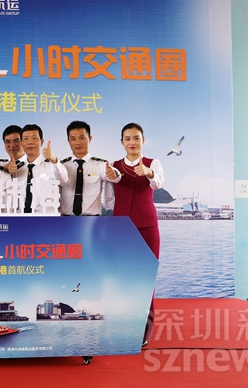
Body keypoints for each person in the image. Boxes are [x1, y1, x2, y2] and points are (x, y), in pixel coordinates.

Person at [105, 122, 164, 347]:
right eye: (128, 138)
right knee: (122, 278)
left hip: (148, 227)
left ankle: (143, 332)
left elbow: (158, 183)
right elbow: (109, 200)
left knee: (146, 278)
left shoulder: (153, 163)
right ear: (122, 142)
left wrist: (148, 173)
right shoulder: (113, 167)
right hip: (122, 227)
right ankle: (123, 326)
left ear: (143, 140)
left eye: (136, 138)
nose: (132, 142)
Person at [59, 121, 116, 216]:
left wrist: (113, 173)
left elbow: (114, 176)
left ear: (90, 139)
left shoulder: (100, 165)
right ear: (68, 141)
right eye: (73, 139)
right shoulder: (62, 166)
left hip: (92, 220)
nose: (77, 142)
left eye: (82, 138)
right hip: (66, 219)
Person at [16, 124, 68, 213]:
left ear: (42, 141)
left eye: (34, 138)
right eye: (26, 139)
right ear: (21, 144)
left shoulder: (52, 165)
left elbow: (63, 180)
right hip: (21, 218)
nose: (30, 142)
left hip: (45, 219)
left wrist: (54, 160)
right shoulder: (17, 169)